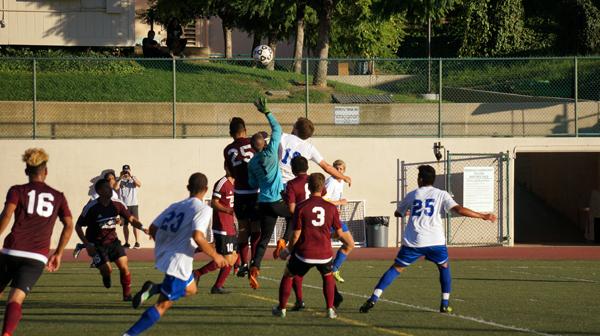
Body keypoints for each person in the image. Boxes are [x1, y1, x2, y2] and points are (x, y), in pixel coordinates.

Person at [359, 165, 497, 314]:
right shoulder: (441, 194)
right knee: (444, 266)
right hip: (435, 241)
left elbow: (398, 213)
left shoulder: (412, 195)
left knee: (396, 268)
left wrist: (406, 212)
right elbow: (459, 210)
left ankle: (373, 298)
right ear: (433, 179)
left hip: (414, 241)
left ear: (420, 179)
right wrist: (483, 216)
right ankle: (444, 303)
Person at [124, 173, 227, 336]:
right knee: (162, 305)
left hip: (168, 255)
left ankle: (153, 288)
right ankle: (129, 334)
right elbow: (198, 236)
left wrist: (168, 243)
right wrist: (216, 256)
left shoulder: (176, 205)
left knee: (191, 289)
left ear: (188, 188)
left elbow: (153, 228)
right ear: (206, 189)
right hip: (178, 262)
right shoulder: (204, 208)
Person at [0, 148, 74, 336]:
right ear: (46, 172)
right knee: (15, 300)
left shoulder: (17, 190)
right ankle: (6, 334)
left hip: (12, 251)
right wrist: (58, 253)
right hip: (36, 257)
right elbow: (69, 224)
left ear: (26, 171)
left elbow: (7, 215)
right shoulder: (58, 196)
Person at [273, 173, 350, 319]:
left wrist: (287, 251)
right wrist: (329, 236)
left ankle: (281, 309)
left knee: (288, 274)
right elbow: (339, 234)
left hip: (305, 253)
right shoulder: (331, 208)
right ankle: (330, 310)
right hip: (325, 254)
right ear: (323, 188)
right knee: (327, 276)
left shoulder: (301, 207)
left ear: (308, 187)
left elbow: (295, 235)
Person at [273, 117, 353, 258]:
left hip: (279, 184)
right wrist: (343, 177)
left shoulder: (283, 137)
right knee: (299, 214)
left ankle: (284, 241)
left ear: (295, 128)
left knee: (287, 214)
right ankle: (288, 242)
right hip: (299, 184)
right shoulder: (309, 148)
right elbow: (326, 167)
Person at [75, 179, 148, 301]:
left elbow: (131, 219)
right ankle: (106, 276)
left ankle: (127, 295)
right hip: (97, 245)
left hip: (113, 242)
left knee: (124, 266)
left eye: (110, 187)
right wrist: (87, 245)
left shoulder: (117, 204)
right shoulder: (91, 207)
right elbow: (78, 226)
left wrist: (143, 228)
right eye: (107, 188)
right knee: (107, 270)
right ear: (99, 191)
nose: (110, 190)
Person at [247, 97, 291, 289]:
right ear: (264, 144)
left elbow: (251, 182)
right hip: (275, 200)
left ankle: (254, 267)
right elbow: (278, 130)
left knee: (264, 239)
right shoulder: (271, 152)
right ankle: (284, 240)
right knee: (295, 216)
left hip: (263, 201)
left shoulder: (252, 163)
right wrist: (267, 112)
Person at [223, 117, 262, 278]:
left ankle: (243, 263)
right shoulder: (254, 143)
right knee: (257, 230)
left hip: (239, 194)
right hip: (256, 193)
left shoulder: (227, 150)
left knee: (243, 229)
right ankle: (254, 262)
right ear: (245, 130)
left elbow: (230, 172)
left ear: (231, 133)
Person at [192, 168, 237, 294]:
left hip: (230, 225)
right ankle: (199, 274)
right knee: (227, 259)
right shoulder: (222, 183)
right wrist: (227, 210)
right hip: (222, 225)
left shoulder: (238, 183)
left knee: (233, 257)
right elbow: (214, 202)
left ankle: (216, 285)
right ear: (227, 167)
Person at [324, 159, 355, 283]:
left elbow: (337, 198)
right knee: (349, 243)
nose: (338, 171)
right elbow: (323, 200)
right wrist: (340, 203)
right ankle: (333, 268)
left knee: (349, 244)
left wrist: (339, 207)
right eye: (336, 168)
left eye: (341, 169)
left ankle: (334, 268)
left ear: (344, 171)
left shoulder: (340, 181)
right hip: (328, 218)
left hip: (335, 217)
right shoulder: (331, 182)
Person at [118, 165, 142, 249]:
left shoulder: (133, 179)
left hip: (133, 205)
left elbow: (139, 184)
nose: (126, 173)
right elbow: (115, 187)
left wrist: (131, 177)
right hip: (123, 205)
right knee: (125, 225)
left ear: (130, 171)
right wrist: (120, 177)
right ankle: (126, 243)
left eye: (127, 171)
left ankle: (137, 242)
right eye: (124, 171)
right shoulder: (119, 180)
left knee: (135, 224)